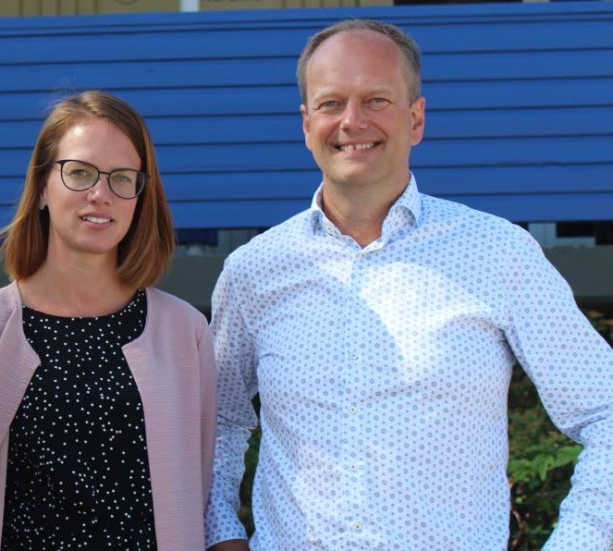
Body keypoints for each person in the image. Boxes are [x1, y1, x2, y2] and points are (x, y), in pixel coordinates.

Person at [205, 19, 613, 551]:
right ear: (306, 125)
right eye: (330, 103)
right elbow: (217, 422)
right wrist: (222, 534)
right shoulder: (254, 270)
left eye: (376, 99)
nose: (353, 121)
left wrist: (577, 543)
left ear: (416, 119)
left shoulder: (498, 253)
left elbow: (605, 410)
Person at [0, 90, 217, 551]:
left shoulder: (185, 333)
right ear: (42, 186)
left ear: (140, 196)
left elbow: (199, 488)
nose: (100, 194)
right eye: (80, 173)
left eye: (122, 178)